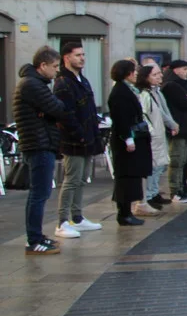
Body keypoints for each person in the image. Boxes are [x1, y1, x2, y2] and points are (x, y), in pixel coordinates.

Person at [14, 46, 71, 254]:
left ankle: (37, 236)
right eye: (54, 66)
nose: (57, 71)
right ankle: (34, 240)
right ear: (43, 65)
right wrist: (49, 113)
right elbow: (59, 109)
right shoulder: (32, 84)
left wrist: (47, 113)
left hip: (40, 142)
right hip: (38, 144)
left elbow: (54, 109)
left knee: (40, 193)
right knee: (39, 194)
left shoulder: (35, 83)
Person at [51, 42, 104, 239]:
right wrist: (79, 134)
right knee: (72, 179)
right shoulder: (63, 82)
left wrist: (92, 134)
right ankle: (62, 222)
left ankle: (77, 217)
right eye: (77, 55)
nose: (82, 58)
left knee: (82, 179)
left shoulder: (82, 80)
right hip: (73, 140)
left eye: (83, 54)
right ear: (66, 58)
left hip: (87, 137)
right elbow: (65, 114)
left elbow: (89, 109)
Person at [108, 59, 153, 225]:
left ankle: (127, 211)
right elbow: (121, 118)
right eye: (133, 72)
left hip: (134, 138)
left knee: (132, 176)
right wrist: (128, 138)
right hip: (125, 141)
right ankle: (124, 213)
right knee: (125, 177)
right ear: (126, 74)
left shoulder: (128, 90)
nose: (136, 74)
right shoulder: (120, 92)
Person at [161, 60, 187, 203]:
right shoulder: (171, 85)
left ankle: (182, 186)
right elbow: (185, 104)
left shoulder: (186, 84)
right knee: (178, 160)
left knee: (186, 160)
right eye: (184, 69)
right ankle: (176, 190)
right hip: (179, 128)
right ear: (176, 70)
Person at [134, 65, 170, 217]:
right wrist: (152, 132)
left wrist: (171, 124)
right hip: (152, 136)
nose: (159, 76)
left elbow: (162, 112)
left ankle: (153, 193)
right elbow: (144, 115)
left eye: (159, 74)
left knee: (159, 165)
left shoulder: (154, 92)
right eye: (155, 74)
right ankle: (148, 196)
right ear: (146, 77)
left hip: (158, 134)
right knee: (153, 166)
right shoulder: (144, 94)